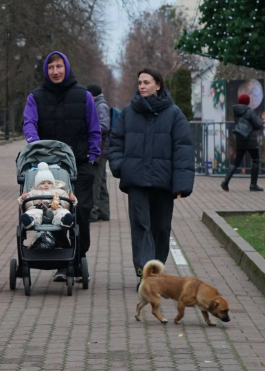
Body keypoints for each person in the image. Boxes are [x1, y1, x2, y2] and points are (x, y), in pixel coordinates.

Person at [107, 68, 195, 281]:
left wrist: (182, 183)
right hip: (136, 181)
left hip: (163, 183)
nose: (142, 86)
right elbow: (115, 140)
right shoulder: (129, 112)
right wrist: (120, 166)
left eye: (146, 82)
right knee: (140, 226)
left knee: (161, 228)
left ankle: (157, 268)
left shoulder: (173, 114)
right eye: (139, 83)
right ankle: (146, 275)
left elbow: (183, 148)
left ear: (158, 85)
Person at [23, 51, 101, 280]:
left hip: (80, 164)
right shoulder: (35, 97)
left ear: (66, 68)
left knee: (82, 212)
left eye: (59, 66)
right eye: (51, 67)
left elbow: (94, 128)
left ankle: (78, 258)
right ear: (46, 71)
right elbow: (29, 123)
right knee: (51, 209)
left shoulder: (84, 95)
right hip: (48, 168)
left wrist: (93, 156)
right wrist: (34, 145)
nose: (55, 71)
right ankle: (65, 256)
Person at [222, 93, 264, 192]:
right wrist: (259, 120)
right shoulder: (250, 112)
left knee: (236, 161)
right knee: (256, 160)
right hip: (250, 140)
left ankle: (225, 181)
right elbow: (258, 125)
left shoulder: (236, 111)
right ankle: (253, 185)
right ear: (248, 102)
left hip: (240, 139)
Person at [87, 83, 111, 222]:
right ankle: (103, 212)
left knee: (96, 181)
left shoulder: (100, 106)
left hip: (100, 149)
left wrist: (89, 129)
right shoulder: (100, 104)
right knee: (101, 182)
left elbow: (104, 126)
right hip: (102, 148)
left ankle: (93, 213)